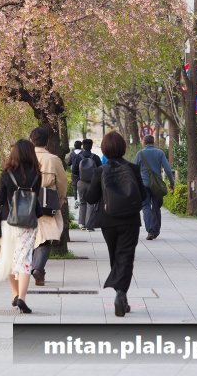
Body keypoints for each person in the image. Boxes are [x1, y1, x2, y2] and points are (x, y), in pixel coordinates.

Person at [84, 131, 146, 317]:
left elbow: (91, 198)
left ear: (104, 149)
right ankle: (121, 293)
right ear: (123, 148)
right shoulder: (133, 168)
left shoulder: (100, 171)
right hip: (130, 220)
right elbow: (143, 195)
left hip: (108, 220)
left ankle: (120, 293)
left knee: (115, 256)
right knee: (126, 257)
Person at [0, 139, 42, 314]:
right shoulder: (37, 174)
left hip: (8, 221)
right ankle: (22, 298)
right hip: (28, 222)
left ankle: (15, 293)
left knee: (10, 257)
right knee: (25, 259)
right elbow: (36, 197)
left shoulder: (7, 174)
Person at [30, 126, 68, 286]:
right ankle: (38, 269)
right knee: (45, 238)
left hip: (25, 202)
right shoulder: (53, 159)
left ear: (31, 140)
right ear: (47, 142)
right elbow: (62, 183)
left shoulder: (23, 157)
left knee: (28, 237)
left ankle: (32, 268)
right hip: (46, 202)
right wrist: (60, 200)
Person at [134, 134, 175, 240]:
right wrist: (172, 183)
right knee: (156, 207)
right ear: (153, 142)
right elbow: (168, 170)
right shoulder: (160, 153)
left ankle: (150, 230)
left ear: (144, 142)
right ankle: (155, 230)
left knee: (146, 207)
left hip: (143, 185)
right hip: (157, 185)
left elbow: (134, 170)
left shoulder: (140, 154)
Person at [77, 139, 102, 231]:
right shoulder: (96, 157)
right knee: (91, 203)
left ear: (83, 146)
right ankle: (89, 225)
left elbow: (74, 171)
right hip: (92, 183)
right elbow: (100, 170)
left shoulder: (78, 157)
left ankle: (81, 224)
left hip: (81, 182)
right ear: (91, 146)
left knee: (82, 202)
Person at [67, 140, 83, 204]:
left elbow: (68, 163)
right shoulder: (83, 153)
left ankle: (76, 200)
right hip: (82, 173)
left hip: (74, 173)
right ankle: (81, 200)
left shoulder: (72, 154)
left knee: (74, 187)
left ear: (74, 146)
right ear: (81, 146)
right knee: (82, 186)